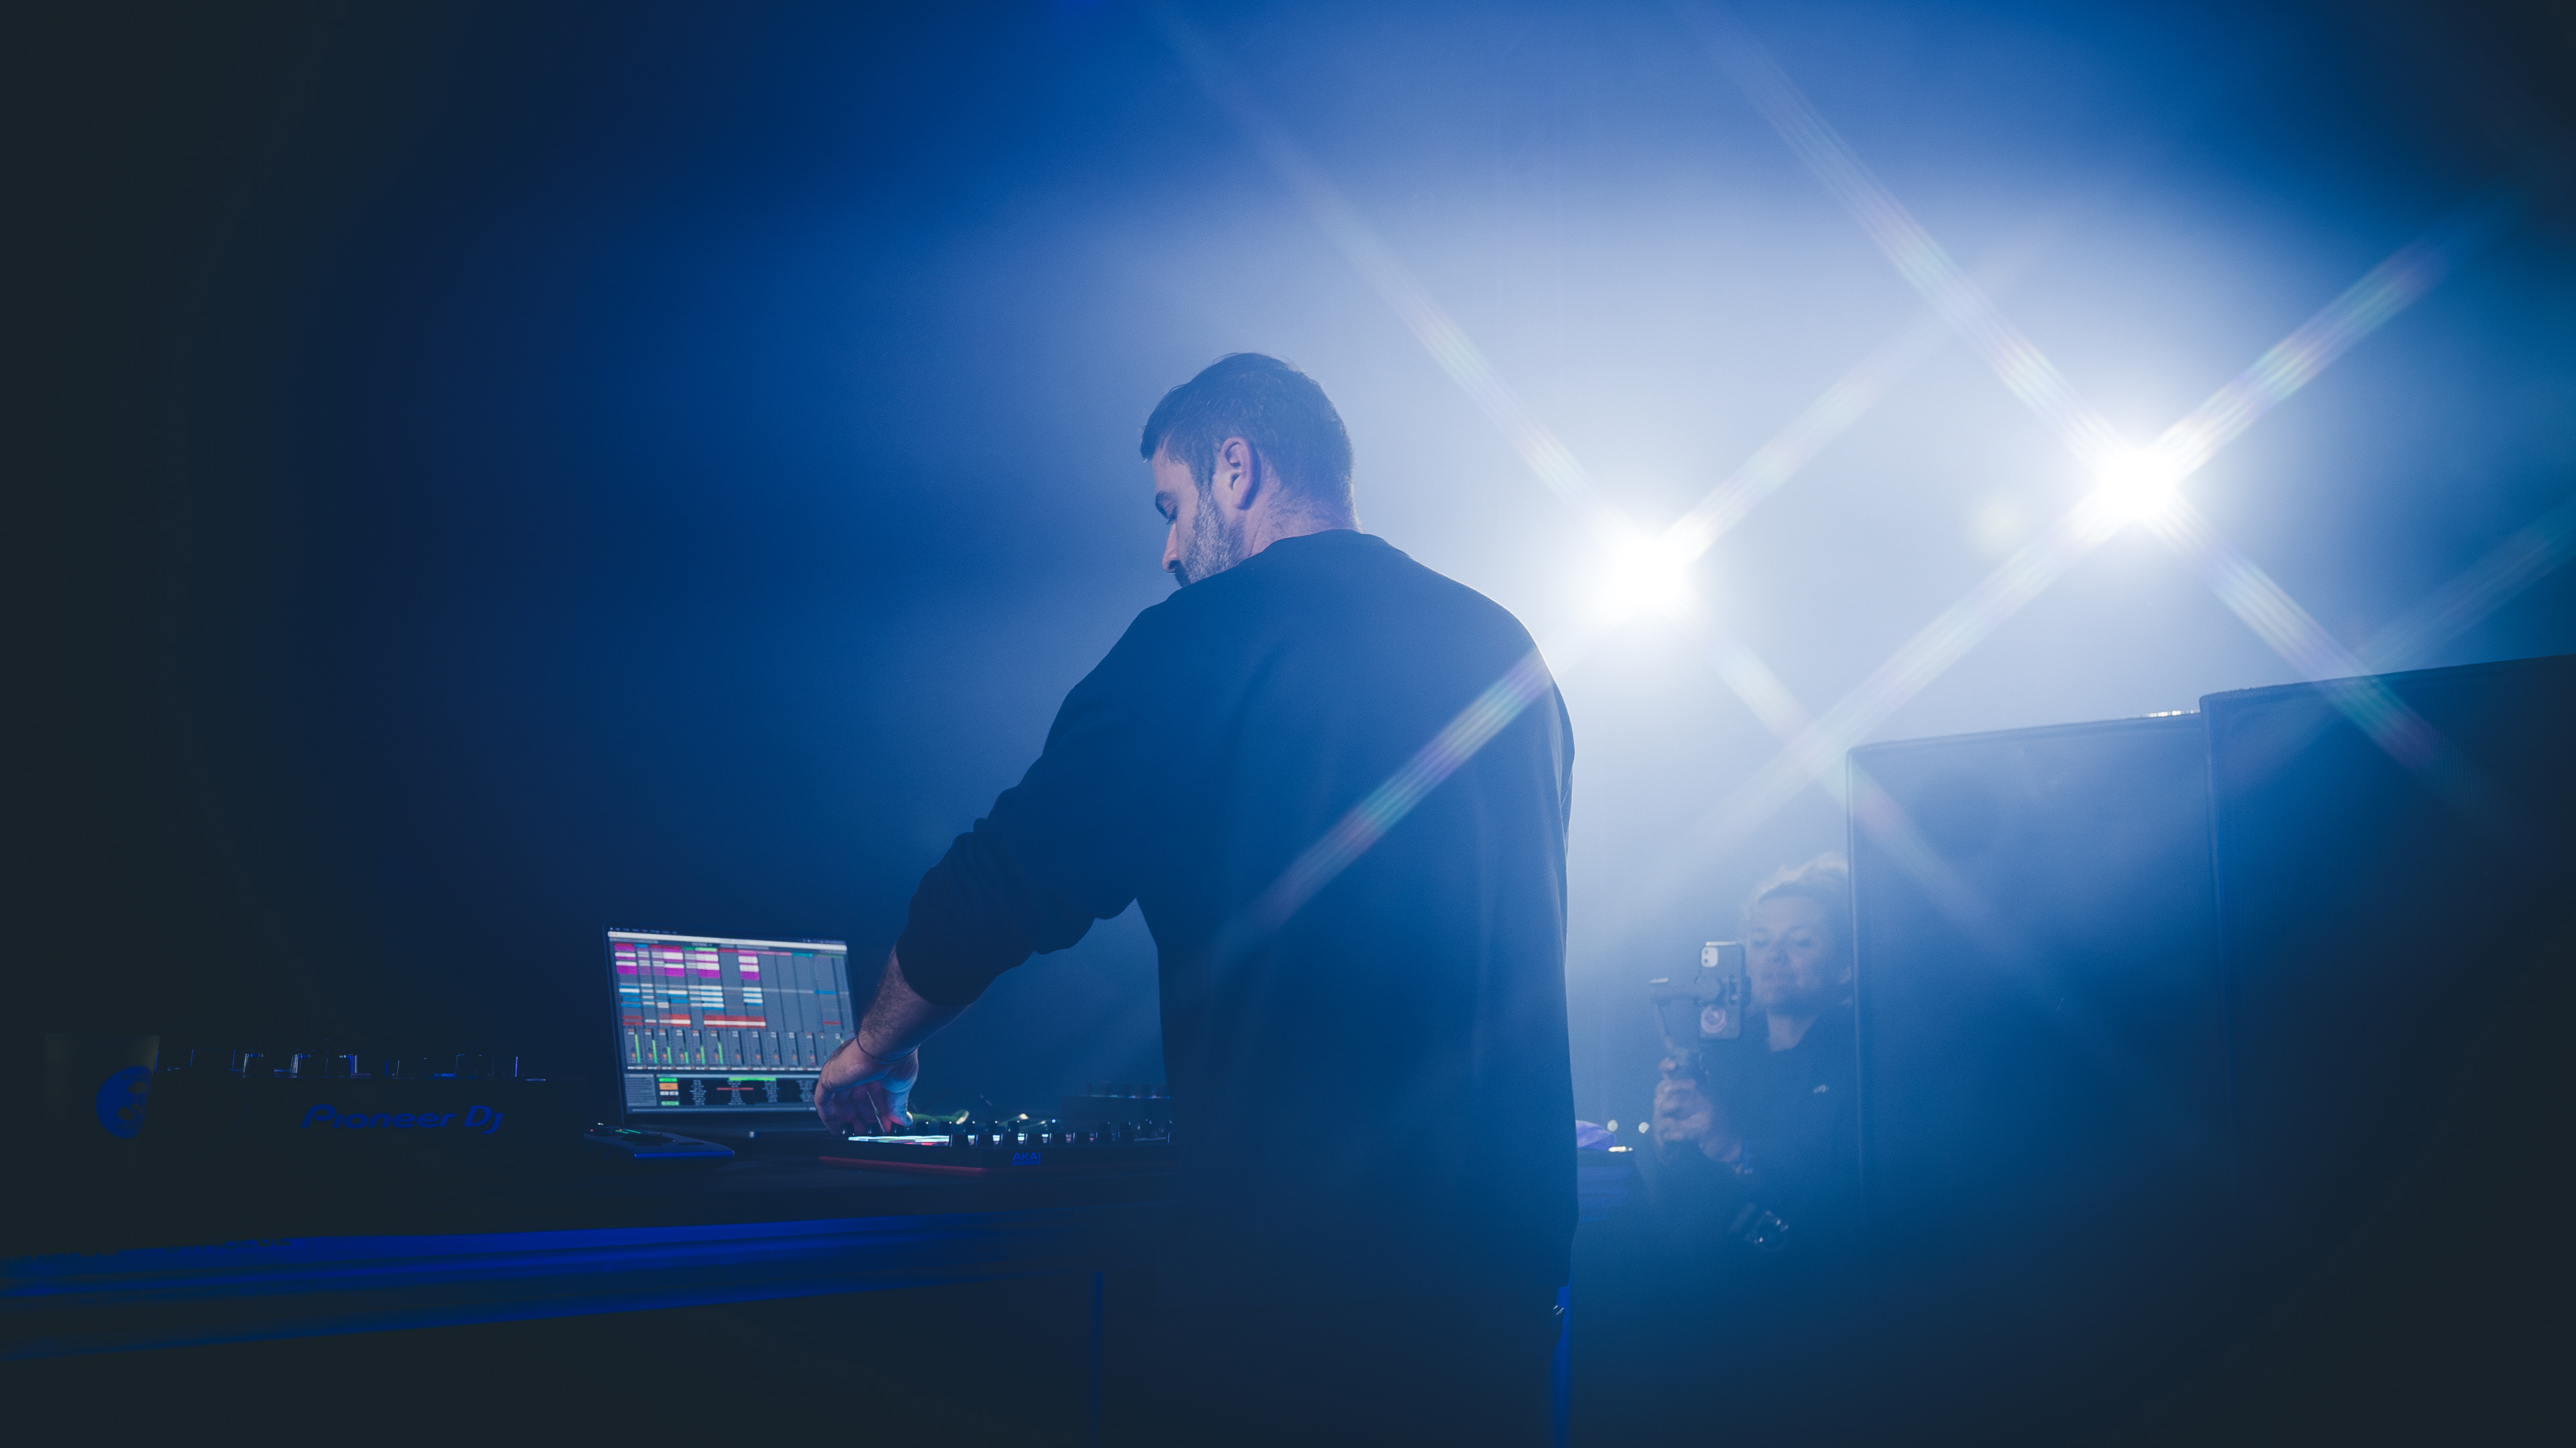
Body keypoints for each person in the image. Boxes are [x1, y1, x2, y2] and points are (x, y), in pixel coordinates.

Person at [811, 353, 1576, 1445]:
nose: (1168, 550)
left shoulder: (1198, 641)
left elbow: (1007, 877)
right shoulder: (1509, 649)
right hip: (1503, 1283)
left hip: (1300, 1292)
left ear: (1236, 467)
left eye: (1170, 507)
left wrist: (874, 1046)